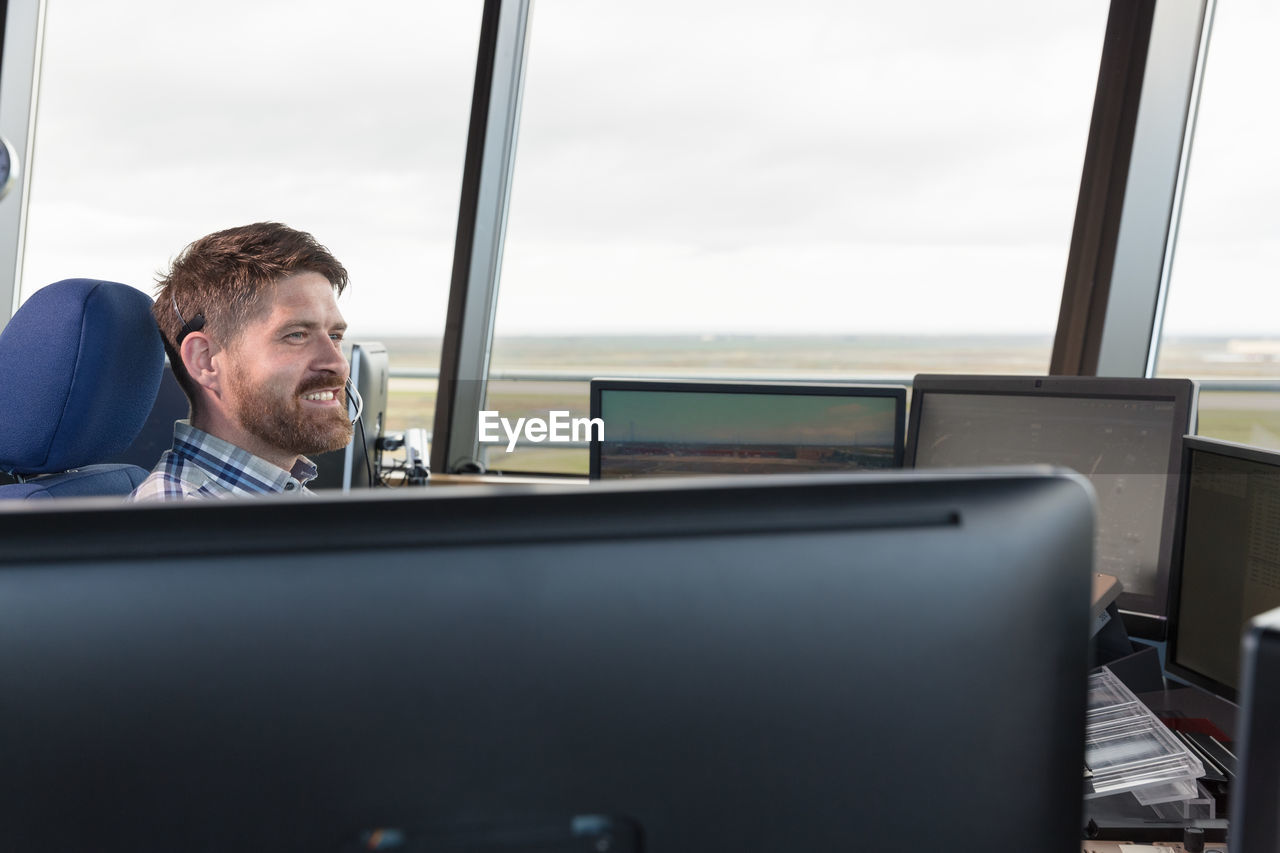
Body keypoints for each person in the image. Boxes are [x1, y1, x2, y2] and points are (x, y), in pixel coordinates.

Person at [131, 222, 353, 501]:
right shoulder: (178, 526)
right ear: (205, 360)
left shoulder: (288, 496)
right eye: (296, 335)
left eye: (334, 335)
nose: (337, 363)